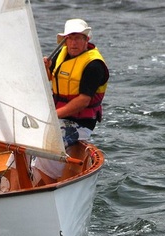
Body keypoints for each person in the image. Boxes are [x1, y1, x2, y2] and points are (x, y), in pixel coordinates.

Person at [7, 18, 109, 189]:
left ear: (86, 40)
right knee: (17, 148)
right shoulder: (62, 54)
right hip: (57, 118)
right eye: (70, 38)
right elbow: (51, 77)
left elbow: (83, 101)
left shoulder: (94, 65)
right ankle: (13, 191)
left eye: (78, 38)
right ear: (65, 40)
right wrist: (46, 67)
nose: (74, 42)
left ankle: (50, 191)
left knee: (45, 153)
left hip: (80, 123)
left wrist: (52, 117)